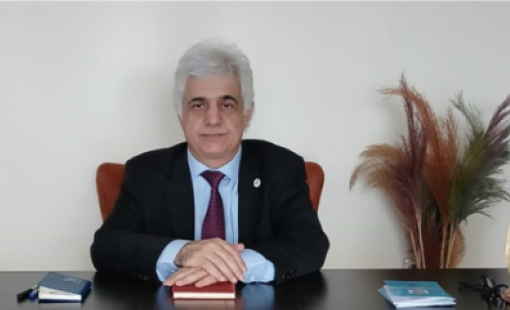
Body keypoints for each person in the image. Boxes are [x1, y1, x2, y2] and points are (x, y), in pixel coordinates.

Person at [90, 38, 330, 287]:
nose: (212, 119)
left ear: (246, 113)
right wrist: (182, 252)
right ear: (181, 115)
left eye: (226, 104)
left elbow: (310, 242)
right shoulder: (146, 173)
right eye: (198, 105)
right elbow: (107, 246)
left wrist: (233, 266)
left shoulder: (281, 168)